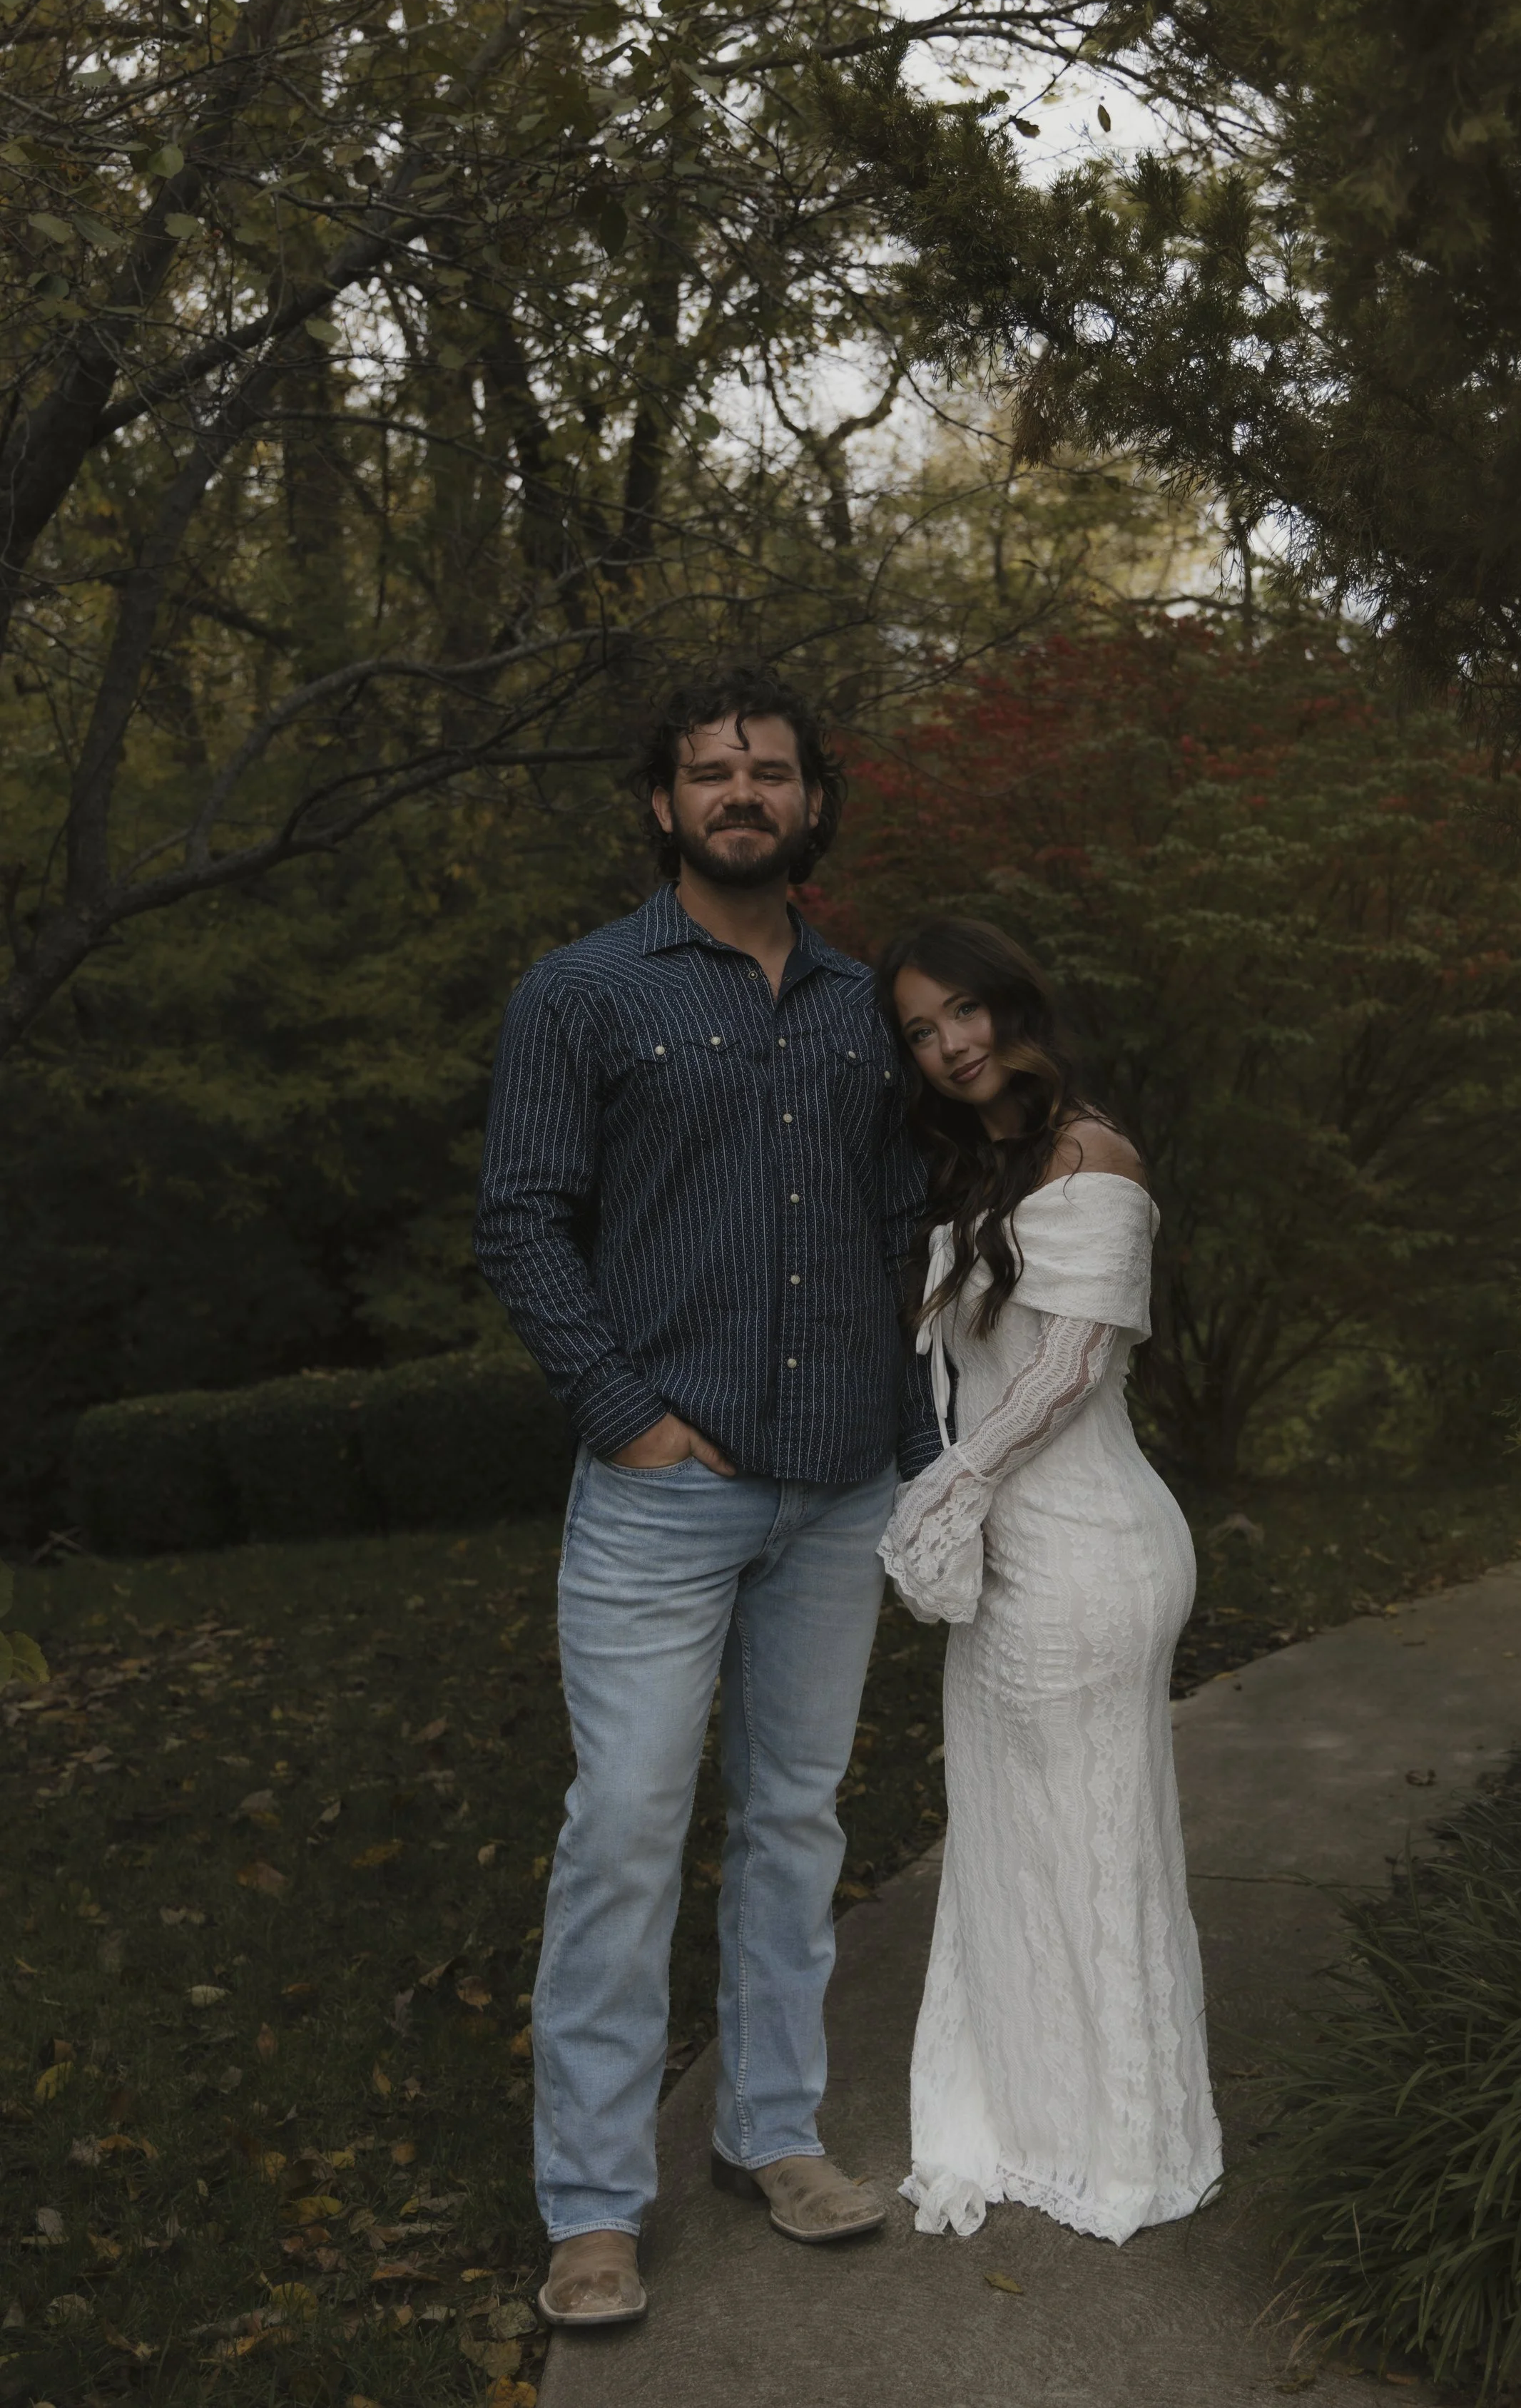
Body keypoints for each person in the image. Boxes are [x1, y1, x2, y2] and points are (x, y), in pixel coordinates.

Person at [474, 666, 940, 2330]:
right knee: (624, 1833)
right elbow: (523, 1221)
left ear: (813, 803)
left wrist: (918, 1433)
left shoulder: (861, 1000)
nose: (742, 793)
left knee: (796, 1821)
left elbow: (909, 1215)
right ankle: (594, 2208)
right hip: (664, 1495)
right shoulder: (581, 994)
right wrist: (631, 1420)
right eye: (710, 773)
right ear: (661, 804)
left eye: (770, 771)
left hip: (839, 1491)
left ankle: (772, 2132)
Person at [876, 916, 1224, 2247]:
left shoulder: (1093, 1155)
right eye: (920, 1028)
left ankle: (1122, 2144)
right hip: (1025, 1544)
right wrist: (957, 1500)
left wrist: (947, 1494)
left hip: (1082, 1551)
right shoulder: (997, 1166)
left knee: (1092, 1844)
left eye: (964, 1010)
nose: (950, 1043)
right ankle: (1036, 2116)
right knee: (1019, 1838)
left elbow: (1063, 1372)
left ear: (1015, 1004)